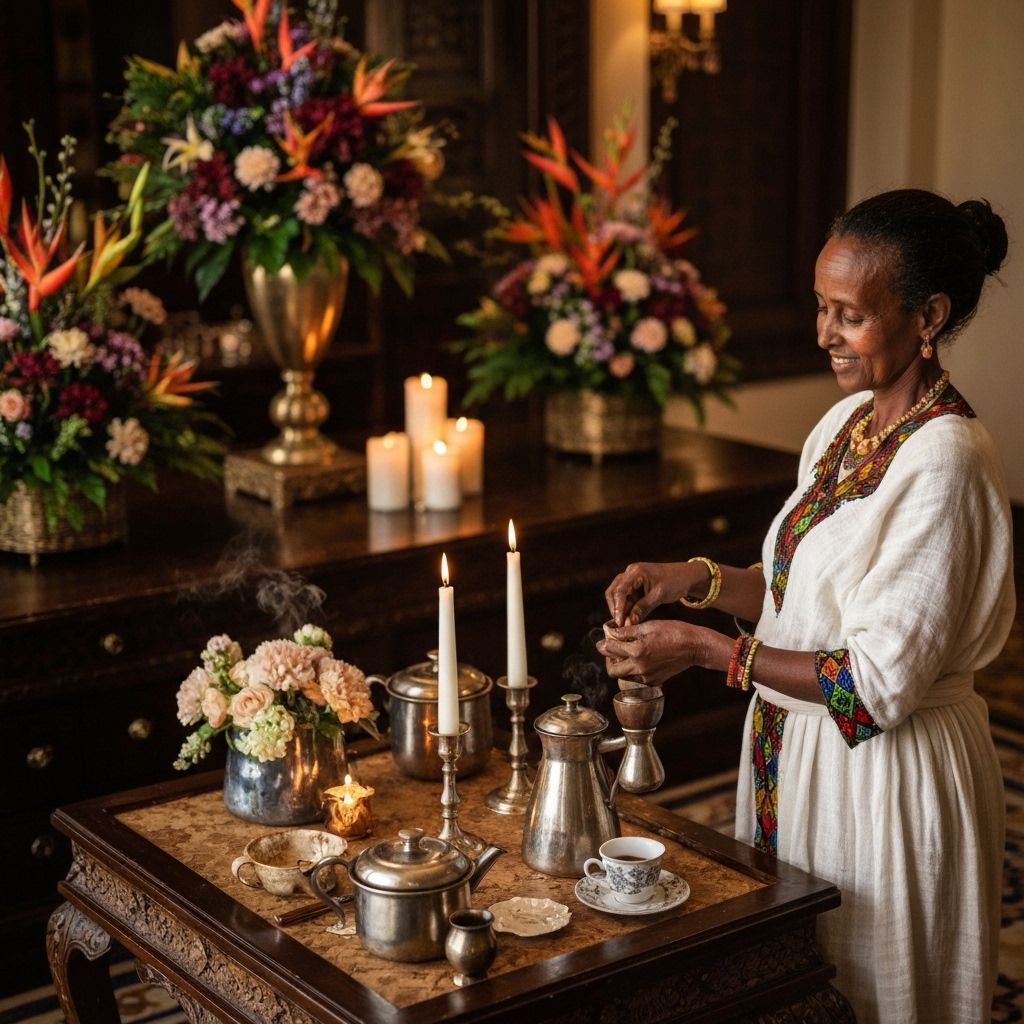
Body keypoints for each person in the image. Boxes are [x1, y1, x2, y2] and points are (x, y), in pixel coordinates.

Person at [597, 188, 1015, 1024]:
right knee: (790, 982)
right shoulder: (846, 424)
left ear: (928, 317)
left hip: (885, 780)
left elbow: (870, 686)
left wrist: (707, 650)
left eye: (850, 315)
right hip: (799, 759)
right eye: (822, 307)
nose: (825, 333)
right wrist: (692, 579)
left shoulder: (945, 462)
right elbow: (799, 592)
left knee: (875, 991)